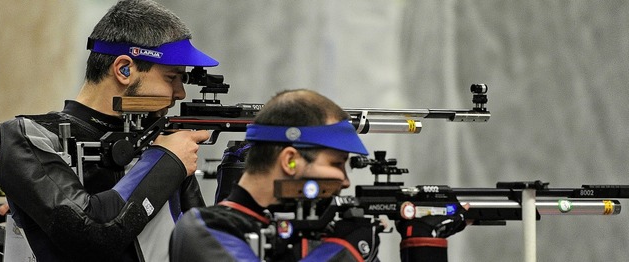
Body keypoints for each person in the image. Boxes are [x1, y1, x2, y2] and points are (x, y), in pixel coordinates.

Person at [0, 0, 214, 261]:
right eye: (171, 78)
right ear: (124, 69)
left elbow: (201, 246)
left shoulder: (159, 143)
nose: (180, 93)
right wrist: (167, 161)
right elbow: (90, 233)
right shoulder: (25, 136)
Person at [169, 89, 468, 262]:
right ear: (290, 161)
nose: (346, 180)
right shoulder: (204, 229)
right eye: (337, 164)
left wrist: (424, 244)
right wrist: (346, 250)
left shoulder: (323, 230)